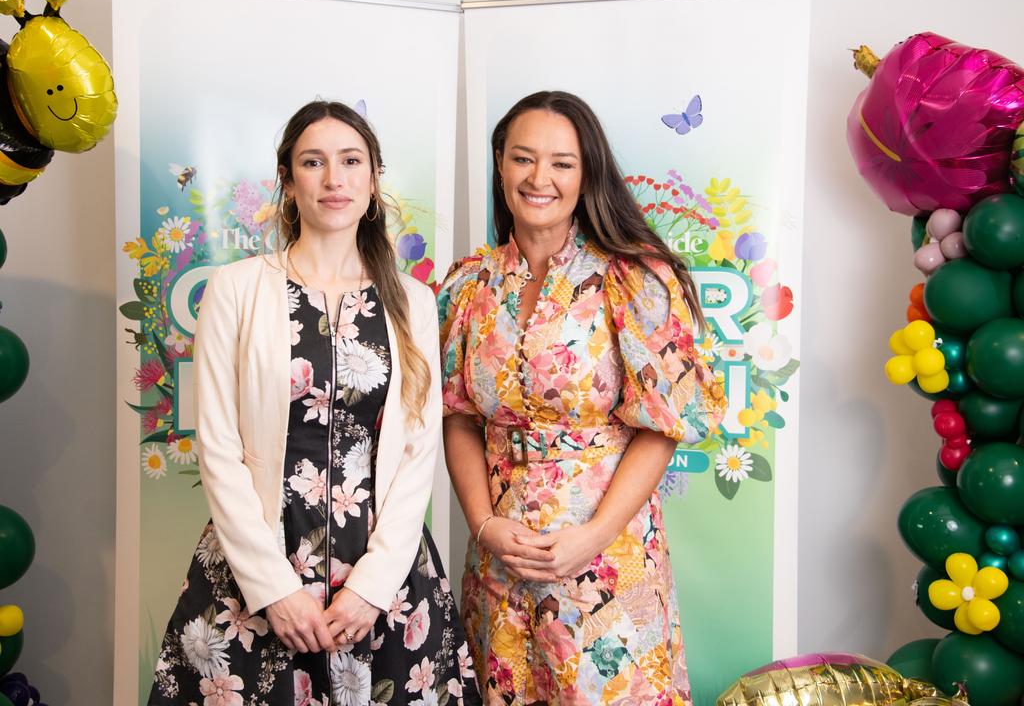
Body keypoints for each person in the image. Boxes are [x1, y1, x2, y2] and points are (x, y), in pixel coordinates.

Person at [149, 100, 480, 706]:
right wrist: (271, 588)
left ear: (374, 179)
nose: (334, 179)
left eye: (351, 161)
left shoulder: (413, 301)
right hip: (255, 566)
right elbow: (218, 447)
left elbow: (418, 448)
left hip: (383, 573)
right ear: (287, 180)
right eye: (313, 162)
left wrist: (372, 588)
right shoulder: (236, 288)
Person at [438, 90, 727, 705]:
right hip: (500, 563)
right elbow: (458, 416)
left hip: (606, 558)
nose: (539, 178)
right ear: (499, 163)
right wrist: (482, 524)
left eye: (562, 163)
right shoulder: (469, 284)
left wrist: (593, 536)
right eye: (523, 158)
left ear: (587, 171)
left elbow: (661, 426)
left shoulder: (635, 278)